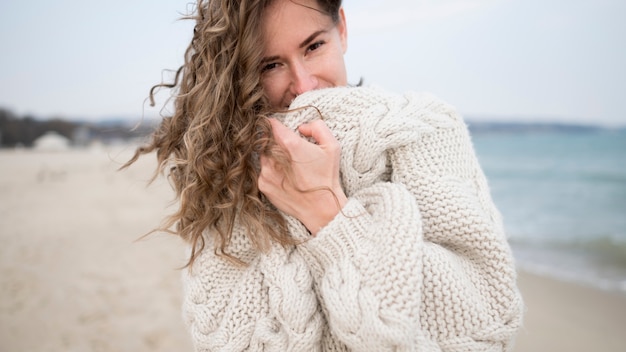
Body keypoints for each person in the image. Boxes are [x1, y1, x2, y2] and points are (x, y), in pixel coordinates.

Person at [125, 0, 524, 350]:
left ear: (343, 30)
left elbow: (483, 327)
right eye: (271, 65)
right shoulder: (229, 172)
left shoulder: (426, 129)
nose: (303, 84)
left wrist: (327, 214)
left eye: (314, 46)